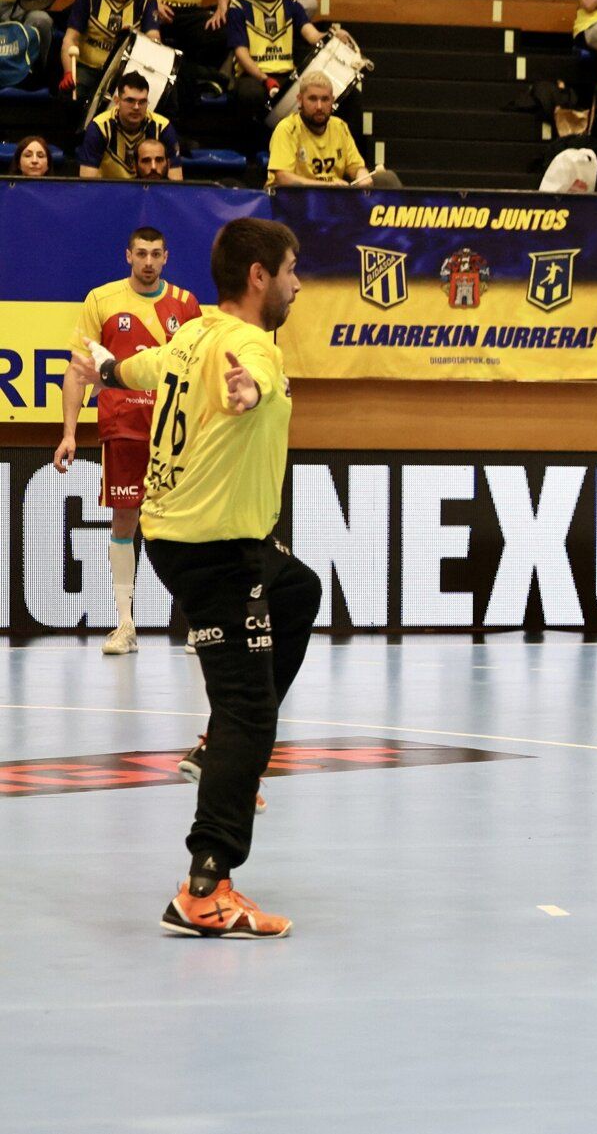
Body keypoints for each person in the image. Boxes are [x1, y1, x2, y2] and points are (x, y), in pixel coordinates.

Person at [69, 216, 322, 937]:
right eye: (291, 270)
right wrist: (251, 394)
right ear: (259, 276)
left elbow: (136, 370)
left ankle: (220, 750)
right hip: (215, 550)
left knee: (298, 590)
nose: (298, 283)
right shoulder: (250, 347)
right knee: (249, 711)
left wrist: (102, 366)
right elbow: (257, 381)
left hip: (179, 536)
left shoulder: (190, 338)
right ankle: (205, 885)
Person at [52, 226, 203, 656]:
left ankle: (198, 624)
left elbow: (199, 370)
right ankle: (125, 625)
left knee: (187, 525)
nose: (148, 262)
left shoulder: (186, 304)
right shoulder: (101, 300)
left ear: (166, 257)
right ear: (128, 256)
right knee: (124, 521)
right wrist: (68, 433)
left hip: (174, 434)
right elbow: (77, 370)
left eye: (156, 254)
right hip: (122, 428)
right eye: (141, 253)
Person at [228, 0, 348, 138]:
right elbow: (241, 53)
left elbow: (312, 36)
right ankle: (251, 150)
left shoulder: (291, 6)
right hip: (254, 76)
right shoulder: (239, 7)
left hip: (286, 77)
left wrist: (332, 35)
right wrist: (264, 79)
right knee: (250, 94)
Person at [58, 0, 162, 110]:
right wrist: (69, 72)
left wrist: (134, 35)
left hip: (126, 72)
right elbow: (70, 38)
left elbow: (154, 39)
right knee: (69, 96)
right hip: (89, 68)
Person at [268, 71, 370, 187]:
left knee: (384, 179)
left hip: (333, 196)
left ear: (332, 100)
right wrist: (326, 186)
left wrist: (362, 175)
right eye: (312, 99)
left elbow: (356, 166)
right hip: (293, 197)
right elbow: (283, 178)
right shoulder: (287, 128)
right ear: (300, 100)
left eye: (325, 99)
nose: (319, 106)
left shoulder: (340, 126)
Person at [78, 72, 185, 181]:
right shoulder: (99, 128)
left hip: (150, 189)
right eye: (130, 100)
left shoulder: (162, 127)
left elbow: (176, 181)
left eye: (142, 102)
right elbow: (87, 183)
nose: (136, 107)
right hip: (109, 190)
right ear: (117, 101)